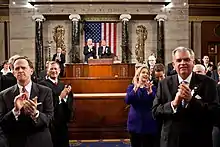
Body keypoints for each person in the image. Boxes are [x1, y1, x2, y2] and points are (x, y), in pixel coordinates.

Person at [152, 47, 218, 147]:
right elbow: (155, 112)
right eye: (179, 60)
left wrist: (192, 100)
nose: (183, 63)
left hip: (199, 141)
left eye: (187, 60)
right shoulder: (164, 84)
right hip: (171, 141)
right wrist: (173, 104)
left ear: (193, 63)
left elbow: (215, 114)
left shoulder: (208, 83)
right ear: (174, 65)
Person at [0, 56, 54, 147]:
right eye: (17, 68)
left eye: (23, 67)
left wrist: (35, 113)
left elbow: (50, 119)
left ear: (31, 71)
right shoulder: (4, 95)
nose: (20, 70)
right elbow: (2, 124)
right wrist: (15, 111)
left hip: (41, 142)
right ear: (13, 72)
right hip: (16, 142)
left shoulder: (45, 91)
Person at [39, 61, 74, 147]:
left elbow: (69, 102)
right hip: (51, 122)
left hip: (62, 121)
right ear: (47, 71)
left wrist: (66, 96)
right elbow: (44, 104)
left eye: (55, 69)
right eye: (51, 69)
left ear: (59, 70)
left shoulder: (62, 85)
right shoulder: (42, 85)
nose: (54, 71)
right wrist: (60, 97)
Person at [125, 66, 158, 147]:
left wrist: (150, 92)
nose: (145, 74)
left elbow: (155, 102)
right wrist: (136, 87)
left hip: (149, 123)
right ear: (138, 75)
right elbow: (128, 100)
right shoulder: (131, 87)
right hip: (135, 123)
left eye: (147, 73)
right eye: (143, 72)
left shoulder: (153, 88)